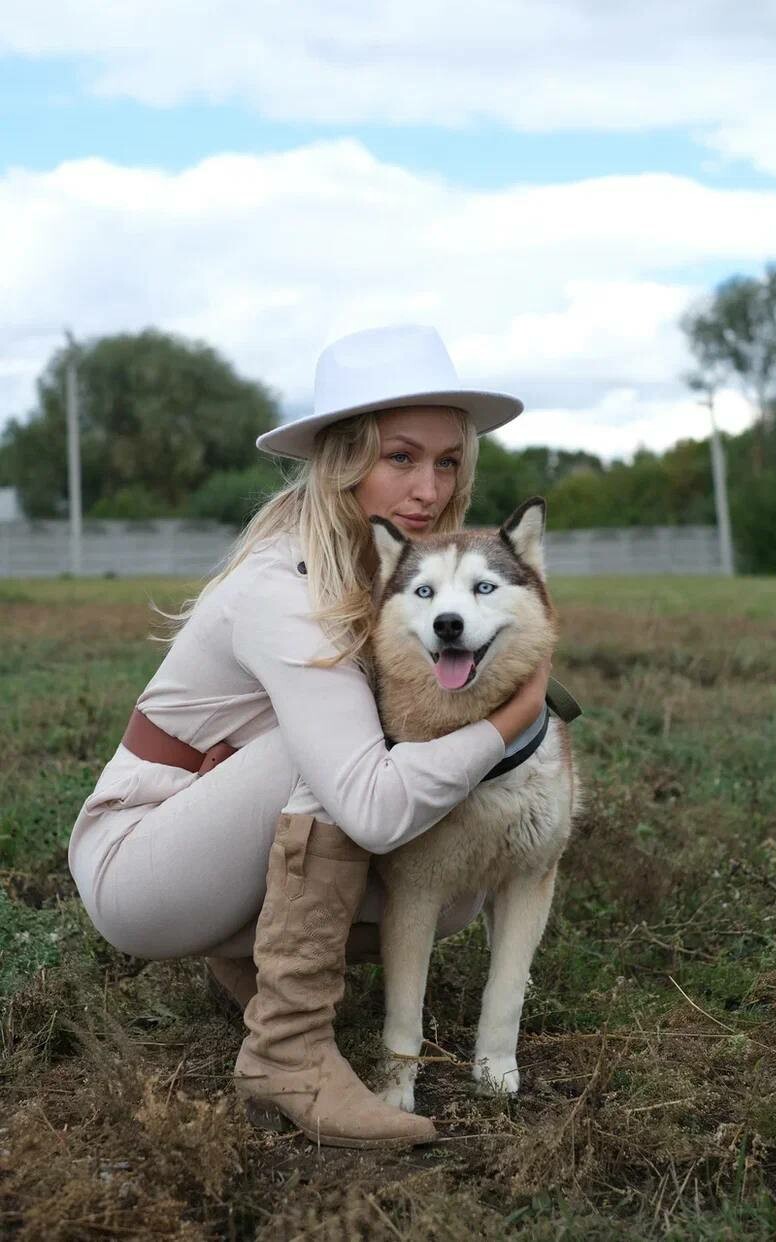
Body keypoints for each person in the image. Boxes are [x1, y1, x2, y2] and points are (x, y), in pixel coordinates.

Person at [67, 323, 551, 1149]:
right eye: (400, 457)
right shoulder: (287, 581)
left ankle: (248, 959)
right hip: (137, 855)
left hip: (213, 828)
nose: (428, 488)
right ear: (342, 459)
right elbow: (366, 806)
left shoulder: (395, 571)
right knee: (345, 767)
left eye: (445, 462)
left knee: (455, 887)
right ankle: (287, 1052)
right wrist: (516, 715)